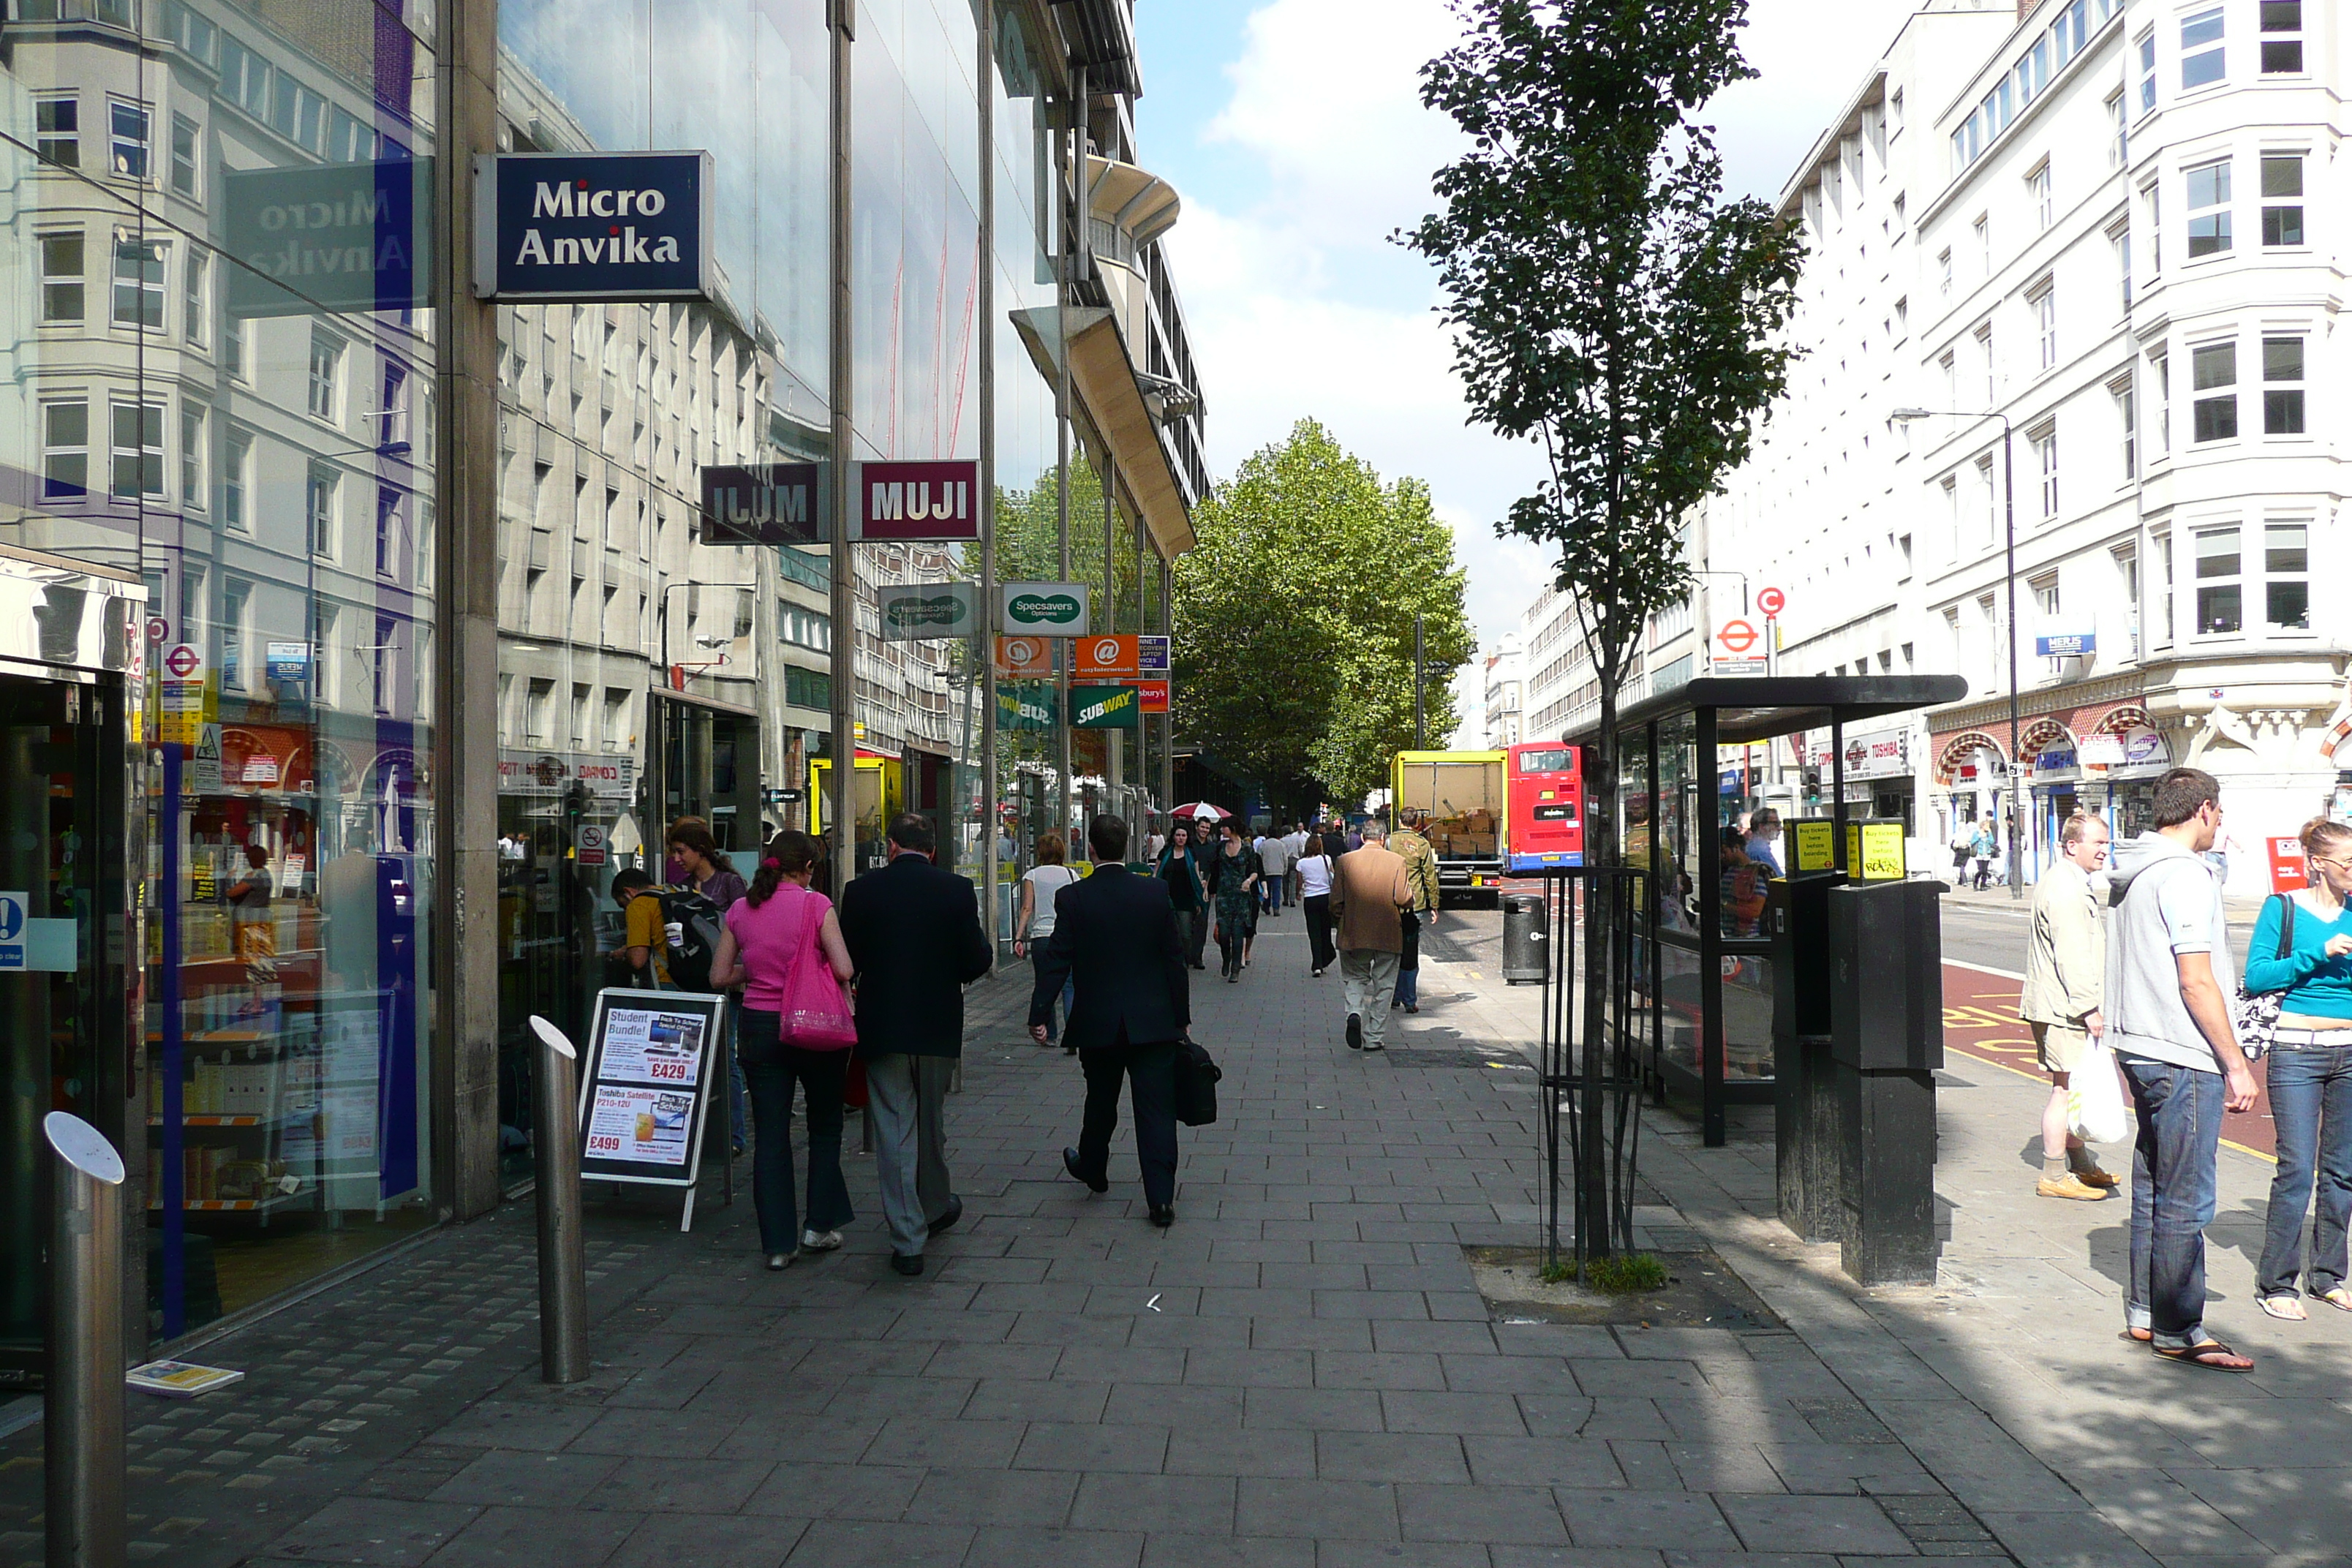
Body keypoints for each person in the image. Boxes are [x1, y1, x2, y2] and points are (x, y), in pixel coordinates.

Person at [2103, 766, 2260, 1371]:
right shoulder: (2186, 877)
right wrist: (2236, 1064)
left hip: (2137, 1044)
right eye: (2218, 814)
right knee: (2185, 1197)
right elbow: (2196, 980)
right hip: (2181, 1050)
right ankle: (2179, 1328)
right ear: (2203, 810)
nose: (2219, 825)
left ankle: (2147, 1312)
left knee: (2152, 1184)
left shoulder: (2132, 871)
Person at [837, 813, 992, 1277]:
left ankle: (907, 1240)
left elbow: (849, 959)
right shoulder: (956, 890)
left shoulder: (861, 891)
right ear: (933, 849)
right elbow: (978, 958)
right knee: (932, 1121)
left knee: (893, 1127)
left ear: (890, 846)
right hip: (937, 1026)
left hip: (883, 1026)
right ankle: (934, 1204)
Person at [1030, 815, 1190, 1226]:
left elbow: (1057, 960)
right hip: (1154, 1021)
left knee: (1100, 1101)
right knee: (1156, 1108)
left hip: (1098, 1022)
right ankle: (1161, 1199)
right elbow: (1174, 960)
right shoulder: (1155, 892)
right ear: (1125, 847)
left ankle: (1094, 1168)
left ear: (1093, 851)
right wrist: (1182, 1017)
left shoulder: (1074, 897)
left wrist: (1040, 1012)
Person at [708, 831, 856, 1270]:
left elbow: (719, 976)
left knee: (770, 1135)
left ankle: (777, 1245)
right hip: (814, 1025)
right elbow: (845, 967)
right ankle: (819, 1226)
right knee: (825, 1125)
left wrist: (755, 972)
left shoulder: (740, 909)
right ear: (808, 868)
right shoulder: (816, 905)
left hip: (758, 1026)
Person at [2247, 818, 2352, 1320]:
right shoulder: (2282, 908)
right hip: (2295, 1051)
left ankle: (2328, 1277)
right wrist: (2319, 952)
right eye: (2348, 863)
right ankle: (2277, 1284)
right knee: (2295, 1170)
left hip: (2349, 1052)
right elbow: (2258, 974)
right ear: (2318, 864)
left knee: (2342, 1171)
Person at [2021, 813, 2119, 1202]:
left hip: (2063, 1005)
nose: (2103, 850)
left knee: (2075, 1085)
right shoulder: (2065, 887)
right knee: (2064, 1089)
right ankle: (2054, 1173)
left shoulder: (2072, 881)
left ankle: (2080, 1165)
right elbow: (2073, 954)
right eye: (2097, 842)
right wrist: (2089, 1007)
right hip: (2064, 1008)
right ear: (2071, 846)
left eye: (2106, 843)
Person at [669, 818, 750, 1154]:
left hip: (727, 984)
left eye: (680, 851)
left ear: (700, 851)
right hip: (694, 983)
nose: (676, 858)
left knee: (727, 1058)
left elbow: (746, 928)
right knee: (690, 1058)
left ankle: (733, 1135)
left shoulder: (730, 884)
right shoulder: (681, 888)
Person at [1329, 818, 1411, 1051]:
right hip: (1388, 933)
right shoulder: (1397, 862)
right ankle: (1374, 1036)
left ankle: (1355, 1012)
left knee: (1355, 978)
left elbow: (1335, 901)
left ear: (1363, 837)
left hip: (1354, 933)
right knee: (1384, 985)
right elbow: (1403, 898)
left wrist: (1341, 920)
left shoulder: (1345, 861)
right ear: (1383, 838)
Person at [1015, 832, 1082, 1046]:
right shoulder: (1072, 875)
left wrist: (1018, 937)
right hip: (1066, 936)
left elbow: (1027, 908)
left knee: (1044, 984)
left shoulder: (1032, 875)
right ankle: (1073, 1036)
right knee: (1069, 986)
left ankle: (1049, 1034)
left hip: (1041, 937)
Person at [1390, 808, 1440, 1014]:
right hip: (1414, 904)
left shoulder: (1389, 842)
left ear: (1400, 821)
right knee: (1410, 955)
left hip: (1391, 903)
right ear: (1416, 823)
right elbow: (1430, 876)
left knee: (1391, 954)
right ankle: (1409, 1000)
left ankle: (1393, 996)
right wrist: (1434, 904)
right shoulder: (1422, 844)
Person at [1206, 819, 1262, 983]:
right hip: (1224, 894)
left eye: (1224, 827)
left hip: (1241, 895)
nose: (1222, 830)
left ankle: (1235, 969)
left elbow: (1254, 871)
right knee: (1223, 933)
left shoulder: (1247, 848)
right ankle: (1226, 957)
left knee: (1238, 933)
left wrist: (1249, 881)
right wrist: (1208, 888)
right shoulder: (1220, 847)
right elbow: (1213, 869)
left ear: (1233, 829)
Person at [1156, 821, 1208, 970]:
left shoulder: (1191, 854)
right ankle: (1169, 959)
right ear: (1173, 837)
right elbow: (1157, 873)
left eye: (1183, 835)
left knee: (1185, 934)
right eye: (1178, 835)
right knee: (1168, 932)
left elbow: (1196, 877)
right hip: (1166, 898)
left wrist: (1199, 896)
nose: (1180, 838)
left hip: (1186, 899)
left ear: (1187, 838)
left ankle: (1184, 960)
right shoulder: (1165, 853)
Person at [608, 867, 671, 987]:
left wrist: (623, 954)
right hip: (699, 981)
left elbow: (638, 960)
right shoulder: (679, 892)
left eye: (623, 905)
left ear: (629, 892)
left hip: (666, 981)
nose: (625, 910)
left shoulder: (639, 904)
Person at [1297, 832, 1338, 977]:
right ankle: (1327, 955)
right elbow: (1333, 876)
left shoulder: (1301, 863)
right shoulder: (1326, 859)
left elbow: (1299, 881)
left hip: (1310, 898)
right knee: (1325, 930)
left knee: (1313, 932)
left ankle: (1317, 965)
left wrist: (1298, 893)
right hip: (1325, 897)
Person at [1256, 824, 1293, 918]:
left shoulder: (1263, 845)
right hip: (1278, 870)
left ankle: (1266, 906)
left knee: (1266, 890)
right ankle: (1276, 908)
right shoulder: (1281, 844)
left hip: (1266, 871)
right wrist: (1285, 869)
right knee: (1277, 890)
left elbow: (1259, 858)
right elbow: (1285, 858)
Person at [1743, 808, 1784, 880]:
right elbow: (1778, 879)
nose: (1780, 828)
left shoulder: (1753, 847)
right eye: (1776, 824)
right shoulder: (1760, 851)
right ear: (1762, 827)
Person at [1971, 815, 1999, 891]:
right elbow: (1972, 842)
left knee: (1985, 871)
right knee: (1981, 870)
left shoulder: (1988, 834)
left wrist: (1989, 834)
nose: (1988, 827)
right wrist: (1979, 837)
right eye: (1987, 826)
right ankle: (1975, 882)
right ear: (1982, 826)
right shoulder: (1976, 833)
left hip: (1987, 853)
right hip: (1979, 854)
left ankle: (1983, 885)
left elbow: (1992, 842)